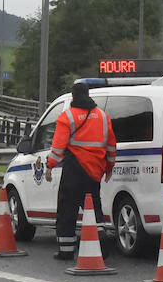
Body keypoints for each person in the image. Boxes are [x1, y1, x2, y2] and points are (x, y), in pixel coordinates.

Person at [44, 81, 117, 260]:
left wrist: (49, 165)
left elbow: (58, 148)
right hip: (94, 171)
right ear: (88, 94)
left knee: (67, 209)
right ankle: (102, 243)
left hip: (74, 169)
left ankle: (66, 250)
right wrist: (108, 168)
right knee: (94, 209)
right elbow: (111, 146)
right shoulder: (102, 116)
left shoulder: (67, 117)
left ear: (73, 96)